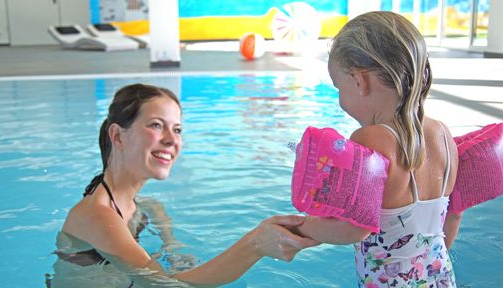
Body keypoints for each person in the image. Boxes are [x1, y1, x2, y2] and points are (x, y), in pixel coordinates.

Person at [51, 83, 318, 287]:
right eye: (156, 125)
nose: (171, 140)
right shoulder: (96, 215)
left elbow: (174, 257)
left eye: (177, 129)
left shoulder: (147, 209)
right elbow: (165, 285)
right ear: (118, 136)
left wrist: (174, 251)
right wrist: (256, 244)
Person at [294, 11, 461, 287]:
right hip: (440, 276)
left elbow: (355, 228)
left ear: (360, 82)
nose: (340, 99)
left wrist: (304, 227)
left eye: (339, 88)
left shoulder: (369, 140)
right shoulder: (443, 135)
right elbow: (453, 215)